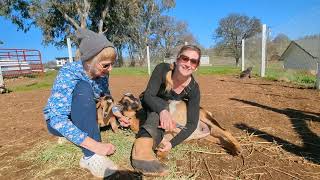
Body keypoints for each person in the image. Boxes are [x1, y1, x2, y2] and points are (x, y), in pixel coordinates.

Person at [43, 28, 122, 178]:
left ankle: (78, 137)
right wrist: (95, 146)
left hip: (86, 118)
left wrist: (118, 114)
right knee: (83, 88)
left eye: (112, 64)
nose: (110, 69)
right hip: (60, 123)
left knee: (89, 94)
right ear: (88, 61)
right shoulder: (68, 72)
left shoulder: (103, 74)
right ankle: (90, 157)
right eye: (106, 65)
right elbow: (57, 119)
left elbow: (107, 97)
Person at [131, 45, 201, 176]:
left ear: (196, 66)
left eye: (193, 61)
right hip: (149, 103)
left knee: (167, 105)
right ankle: (142, 148)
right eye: (185, 58)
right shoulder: (162, 68)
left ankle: (155, 142)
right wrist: (163, 110)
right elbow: (148, 95)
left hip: (167, 108)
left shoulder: (194, 88)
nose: (188, 63)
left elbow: (192, 123)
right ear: (178, 59)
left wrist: (171, 144)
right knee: (160, 107)